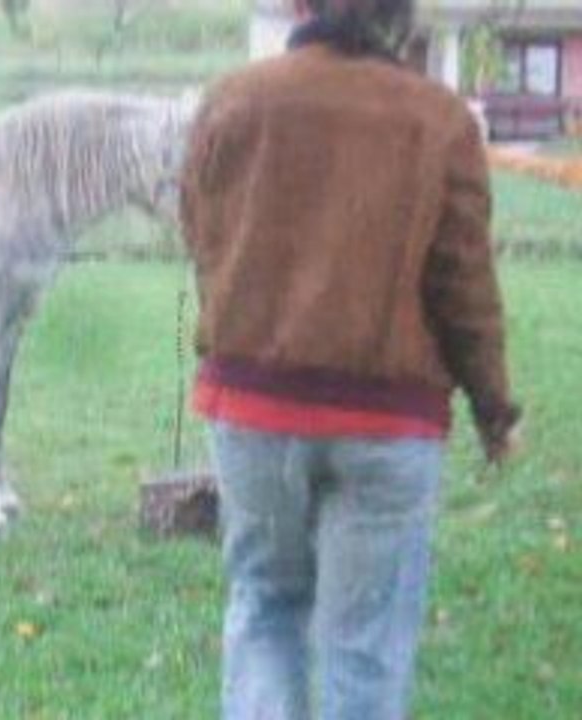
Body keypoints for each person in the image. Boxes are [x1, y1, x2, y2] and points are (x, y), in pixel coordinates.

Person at [179, 0, 522, 718]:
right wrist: (495, 410)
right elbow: (464, 287)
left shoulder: (231, 101)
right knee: (364, 647)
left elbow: (202, 238)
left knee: (265, 604)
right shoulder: (439, 120)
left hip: (253, 411)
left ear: (301, 5)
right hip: (388, 425)